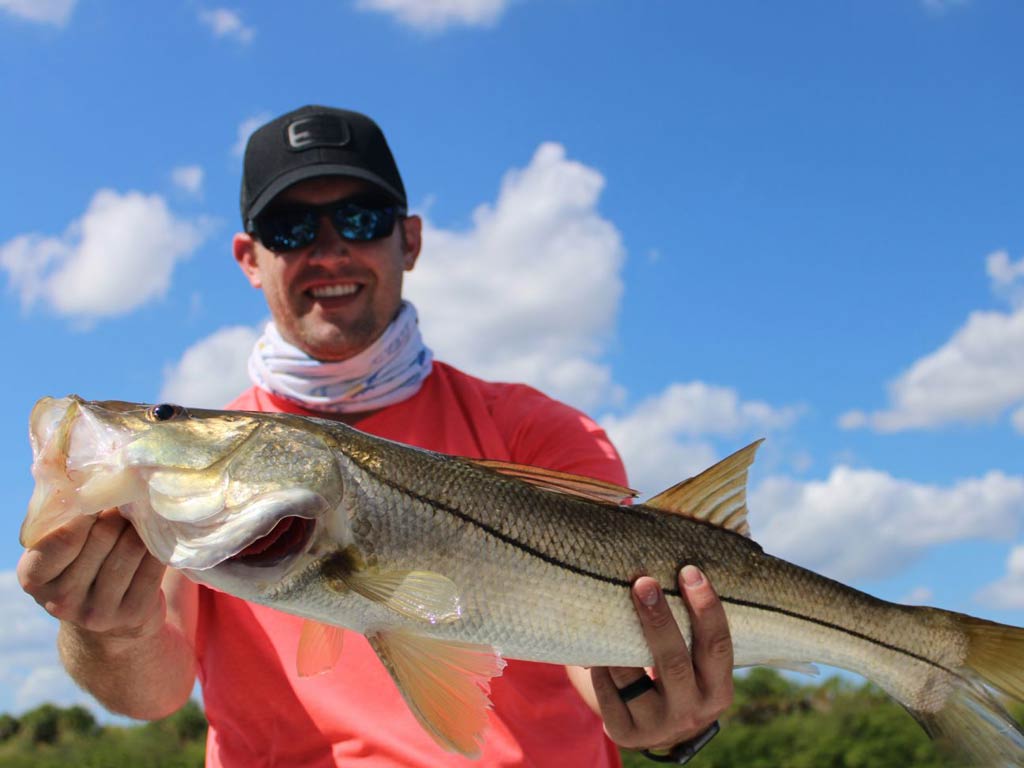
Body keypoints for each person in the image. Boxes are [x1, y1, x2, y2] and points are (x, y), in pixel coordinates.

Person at [17, 105, 734, 767]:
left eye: (360, 218)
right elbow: (152, 693)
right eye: (291, 229)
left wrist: (661, 707)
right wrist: (106, 627)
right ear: (249, 257)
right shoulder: (198, 477)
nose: (328, 250)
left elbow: (591, 641)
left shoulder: (538, 427)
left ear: (410, 239)